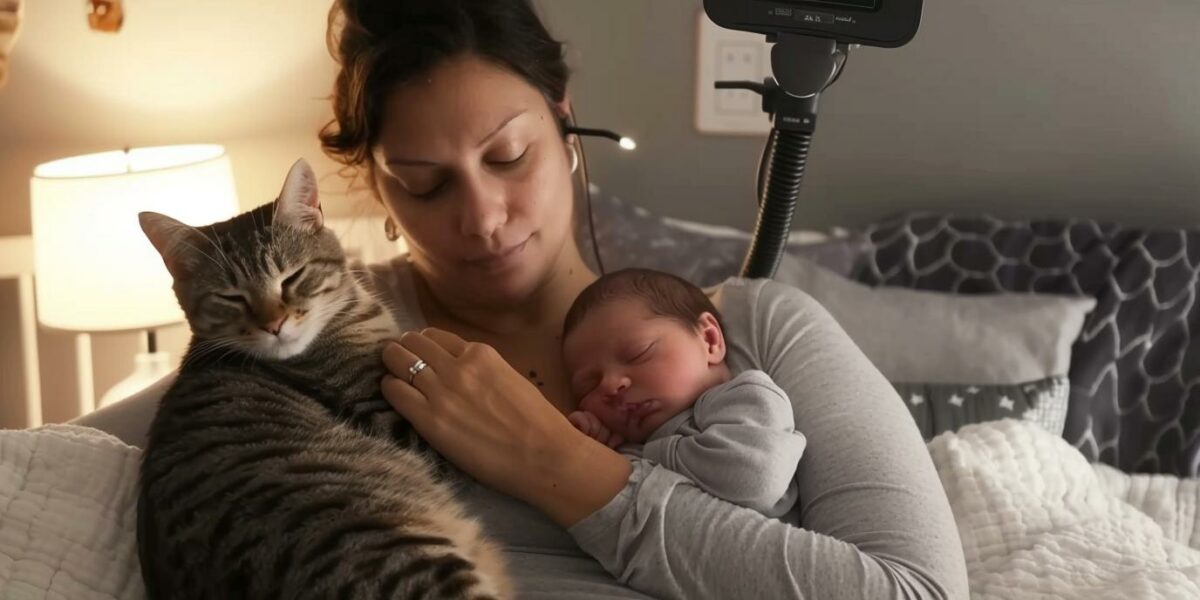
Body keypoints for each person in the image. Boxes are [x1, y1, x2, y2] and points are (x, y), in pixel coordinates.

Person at [322, 0, 969, 597]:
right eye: (425, 184)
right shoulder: (322, 349)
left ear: (564, 123)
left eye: (509, 156)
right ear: (379, 188)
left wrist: (557, 464)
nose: (484, 217)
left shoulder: (758, 328)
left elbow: (920, 591)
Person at [561, 268, 806, 518]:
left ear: (709, 340)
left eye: (638, 353)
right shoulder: (638, 444)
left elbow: (753, 479)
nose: (611, 386)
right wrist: (594, 450)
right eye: (588, 385)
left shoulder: (749, 396)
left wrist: (626, 462)